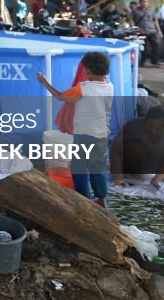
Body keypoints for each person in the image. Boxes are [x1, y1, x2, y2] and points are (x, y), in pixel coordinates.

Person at [38, 51, 114, 207]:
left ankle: (83, 199)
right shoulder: (109, 86)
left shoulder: (83, 87)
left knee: (78, 168)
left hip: (84, 135)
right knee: (97, 168)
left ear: (88, 71)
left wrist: (44, 82)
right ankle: (102, 200)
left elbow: (60, 96)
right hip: (101, 135)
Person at [110, 107, 164, 188]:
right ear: (144, 121)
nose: (154, 131)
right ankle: (136, 174)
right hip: (134, 163)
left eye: (159, 129)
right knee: (135, 147)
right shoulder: (133, 125)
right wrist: (119, 176)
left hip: (156, 163)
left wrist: (157, 179)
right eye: (150, 126)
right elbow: (116, 147)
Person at [131, 0, 161, 66]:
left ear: (148, 3)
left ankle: (155, 61)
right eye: (143, 2)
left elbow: (155, 21)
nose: (144, 3)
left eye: (146, 2)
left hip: (152, 31)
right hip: (141, 31)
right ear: (140, 2)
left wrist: (159, 30)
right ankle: (142, 62)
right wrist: (133, 28)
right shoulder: (135, 11)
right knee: (142, 47)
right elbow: (131, 20)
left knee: (156, 45)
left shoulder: (151, 11)